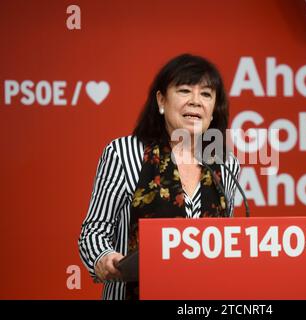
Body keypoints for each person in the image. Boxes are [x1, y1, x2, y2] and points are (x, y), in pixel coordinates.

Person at [78, 54, 240, 300]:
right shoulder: (124, 153)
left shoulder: (226, 164)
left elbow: (224, 242)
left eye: (206, 94)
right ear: (161, 100)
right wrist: (104, 258)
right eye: (185, 91)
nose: (196, 102)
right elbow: (94, 231)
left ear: (214, 110)